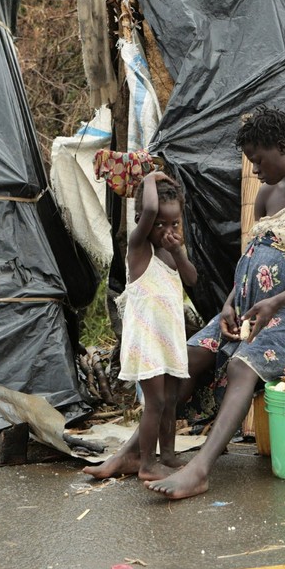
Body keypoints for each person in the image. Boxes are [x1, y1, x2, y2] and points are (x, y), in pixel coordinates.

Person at [86, 106, 285, 499]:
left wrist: (275, 301)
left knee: (244, 365)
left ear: (282, 148)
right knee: (183, 361)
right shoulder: (267, 194)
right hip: (247, 310)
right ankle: (134, 453)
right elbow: (252, 256)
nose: (256, 171)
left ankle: (199, 470)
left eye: (259, 161)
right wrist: (229, 302)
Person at [84, 170, 197, 481]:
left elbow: (192, 279)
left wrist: (177, 250)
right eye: (159, 224)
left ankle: (169, 455)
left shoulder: (172, 252)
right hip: (146, 340)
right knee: (156, 401)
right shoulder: (138, 247)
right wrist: (149, 178)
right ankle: (147, 463)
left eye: (174, 224)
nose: (167, 230)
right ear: (142, 220)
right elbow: (148, 209)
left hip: (168, 338)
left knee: (172, 398)